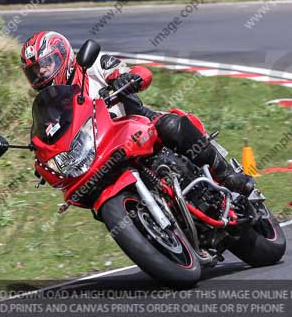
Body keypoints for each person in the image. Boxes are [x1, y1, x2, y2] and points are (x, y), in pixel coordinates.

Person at [20, 31, 255, 196]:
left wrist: (129, 78)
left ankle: (226, 175)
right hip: (102, 150)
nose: (41, 74)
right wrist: (45, 159)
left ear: (62, 55)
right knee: (89, 191)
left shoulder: (92, 65)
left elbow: (132, 72)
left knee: (171, 126)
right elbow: (48, 137)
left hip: (136, 123)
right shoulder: (49, 106)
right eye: (34, 72)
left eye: (45, 65)